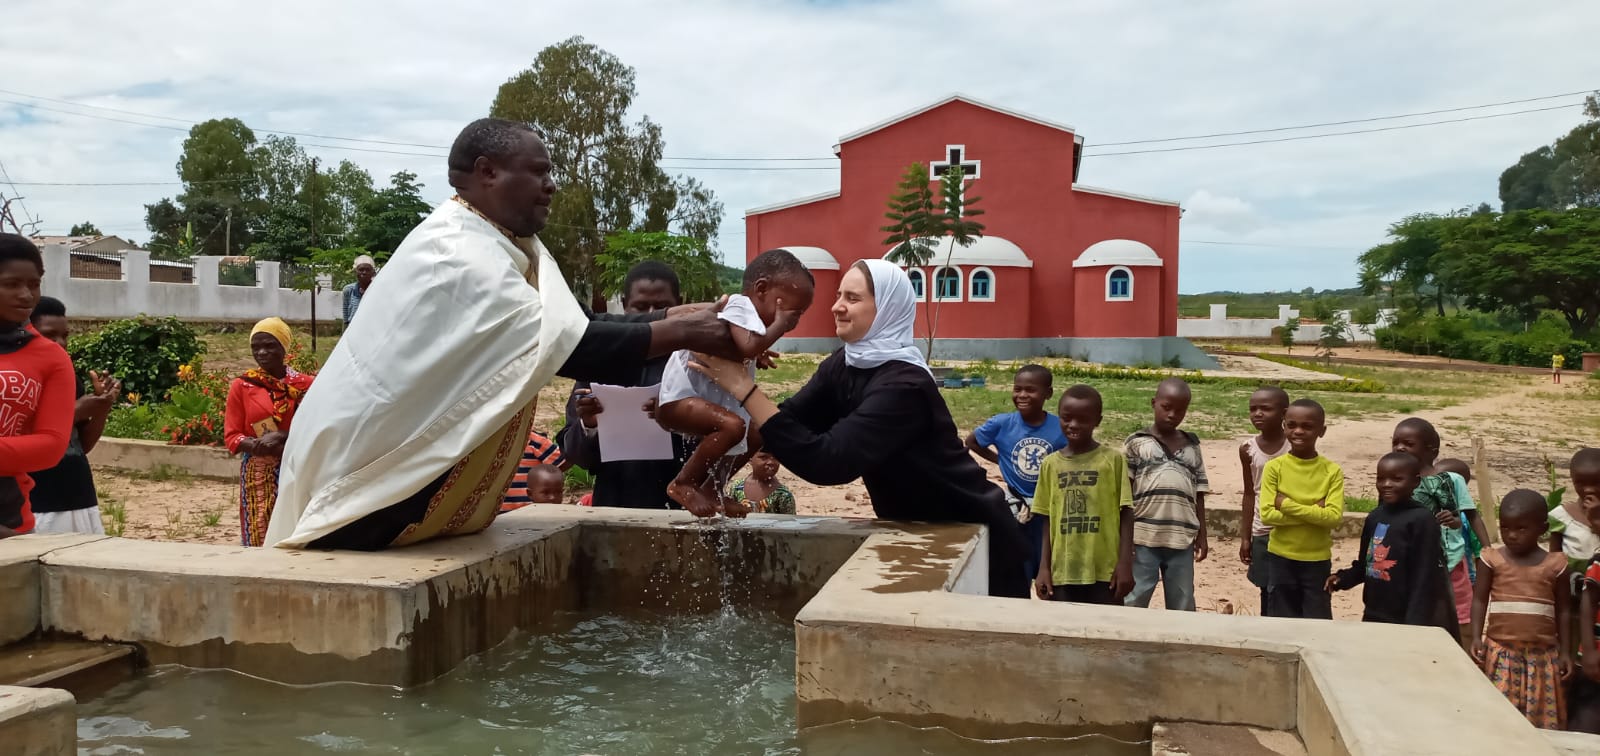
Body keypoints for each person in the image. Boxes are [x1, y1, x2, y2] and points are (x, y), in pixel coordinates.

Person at [265, 119, 738, 550]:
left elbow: (572, 326)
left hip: (395, 477)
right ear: (486, 172)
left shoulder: (494, 242)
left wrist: (678, 317)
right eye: (538, 172)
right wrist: (680, 329)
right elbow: (571, 347)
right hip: (371, 469)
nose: (551, 186)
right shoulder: (458, 254)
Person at [687, 259, 1029, 598]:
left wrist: (744, 388)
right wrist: (707, 481)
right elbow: (781, 423)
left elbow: (829, 462)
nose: (837, 307)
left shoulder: (904, 386)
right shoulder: (846, 362)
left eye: (853, 298)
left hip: (978, 539)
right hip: (916, 533)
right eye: (839, 295)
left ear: (887, 308)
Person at [656, 249, 812, 516]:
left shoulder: (751, 319)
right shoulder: (740, 305)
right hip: (679, 398)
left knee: (759, 430)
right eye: (791, 312)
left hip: (702, 400)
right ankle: (683, 483)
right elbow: (747, 347)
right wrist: (778, 327)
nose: (792, 322)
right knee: (732, 426)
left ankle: (712, 489)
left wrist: (760, 352)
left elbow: (741, 347)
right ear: (761, 289)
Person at [558, 261, 697, 510]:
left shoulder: (695, 362)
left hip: (683, 508)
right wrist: (589, 424)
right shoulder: (599, 362)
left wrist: (680, 419)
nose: (651, 315)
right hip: (614, 506)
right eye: (641, 307)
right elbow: (576, 455)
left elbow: (721, 440)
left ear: (680, 304)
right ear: (624, 305)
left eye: (662, 307)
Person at [1470, 489, 1571, 730]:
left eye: (1521, 529)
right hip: (1501, 653)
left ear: (1542, 529)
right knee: (1499, 722)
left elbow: (1564, 610)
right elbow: (1479, 600)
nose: (1511, 535)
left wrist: (1565, 651)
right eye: (1505, 528)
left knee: (1539, 725)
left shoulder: (1556, 565)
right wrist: (1476, 637)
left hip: (1542, 659)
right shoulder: (1491, 559)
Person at [1327, 452, 1455, 637]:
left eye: (1396, 479)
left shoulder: (1422, 520)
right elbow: (1367, 563)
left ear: (1415, 482)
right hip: (1373, 612)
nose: (1387, 485)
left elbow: (1424, 577)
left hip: (1406, 617)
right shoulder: (1375, 517)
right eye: (1381, 479)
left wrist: (1414, 624)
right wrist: (1342, 579)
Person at [967, 364, 1069, 587]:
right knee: (1016, 568)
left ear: (1048, 394)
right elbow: (972, 441)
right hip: (1015, 509)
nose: (1022, 395)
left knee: (1051, 569)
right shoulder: (1002, 424)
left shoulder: (1060, 428)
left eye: (1030, 390)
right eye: (1017, 389)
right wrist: (1000, 461)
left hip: (1049, 512)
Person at [0, 235, 74, 540]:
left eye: (34, 284)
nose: (26, 295)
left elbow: (51, 445)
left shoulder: (50, 357)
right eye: (12, 284)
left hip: (8, 523)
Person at [1031, 384, 1133, 605]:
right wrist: (1044, 568)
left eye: (1083, 419)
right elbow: (1047, 520)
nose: (1074, 425)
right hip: (1063, 571)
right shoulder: (1050, 464)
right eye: (1067, 418)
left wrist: (1125, 563)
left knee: (1105, 631)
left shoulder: (1112, 461)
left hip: (1105, 572)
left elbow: (1126, 514)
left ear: (1098, 421)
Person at [27, 297, 120, 534]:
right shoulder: (18, 381)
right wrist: (78, 410)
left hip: (79, 497)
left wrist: (101, 408)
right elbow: (28, 434)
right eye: (50, 335)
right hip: (40, 502)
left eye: (65, 336)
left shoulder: (68, 379)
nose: (60, 343)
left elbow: (81, 445)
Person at [1393, 417, 1489, 639]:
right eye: (1396, 442)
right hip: (1409, 562)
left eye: (1408, 443)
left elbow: (1471, 515)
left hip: (1451, 561)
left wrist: (1487, 550)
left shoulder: (1451, 480)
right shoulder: (1397, 480)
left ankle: (1463, 651)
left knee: (1459, 611)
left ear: (1431, 450)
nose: (1400, 448)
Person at [225, 317, 316, 547]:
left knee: (296, 528)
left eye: (269, 346)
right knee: (260, 529)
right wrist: (257, 445)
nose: (262, 352)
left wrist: (284, 436)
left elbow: (317, 426)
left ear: (283, 348)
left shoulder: (307, 386)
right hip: (259, 471)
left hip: (297, 467)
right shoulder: (243, 386)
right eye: (256, 347)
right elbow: (232, 436)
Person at [1123, 378, 1209, 611]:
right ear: (1154, 403)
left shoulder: (1192, 446)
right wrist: (1124, 535)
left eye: (1180, 410)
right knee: (1135, 597)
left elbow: (1199, 492)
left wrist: (1202, 534)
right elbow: (1125, 493)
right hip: (1143, 536)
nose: (1172, 414)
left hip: (1181, 537)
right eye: (1166, 407)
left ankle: (1181, 644)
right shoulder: (1137, 443)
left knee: (1182, 599)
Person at [1258, 399, 1344, 619]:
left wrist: (1286, 505)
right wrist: (1313, 512)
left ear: (1321, 431)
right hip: (1280, 558)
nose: (1298, 431)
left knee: (1317, 621)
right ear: (1284, 426)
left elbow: (1333, 517)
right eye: (1292, 425)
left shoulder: (1331, 471)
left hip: (1316, 561)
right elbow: (1267, 515)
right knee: (1281, 619)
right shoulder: (1274, 468)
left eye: (1307, 426)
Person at [1238, 385, 1290, 614]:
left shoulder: (1295, 446)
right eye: (1253, 409)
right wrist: (1245, 537)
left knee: (1287, 587)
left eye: (1265, 409)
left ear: (1284, 413)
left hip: (1290, 527)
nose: (1257, 414)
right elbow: (1249, 493)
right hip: (1262, 529)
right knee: (1265, 588)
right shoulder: (1248, 449)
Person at [1551, 448, 1600, 575]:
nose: (1588, 489)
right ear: (1572, 480)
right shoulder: (1562, 516)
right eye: (1580, 483)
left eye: (1597, 483)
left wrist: (1596, 521)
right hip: (1572, 587)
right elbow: (1553, 560)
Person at [500, 429, 569, 513]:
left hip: (531, 512)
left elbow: (562, 462)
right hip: (497, 514)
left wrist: (545, 489)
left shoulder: (533, 441)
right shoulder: (484, 443)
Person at [731, 450, 795, 515]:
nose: (771, 462)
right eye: (764, 457)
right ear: (749, 459)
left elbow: (790, 522)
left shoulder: (783, 495)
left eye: (776, 457)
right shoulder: (737, 487)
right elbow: (730, 516)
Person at [342, 255, 376, 326]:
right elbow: (345, 312)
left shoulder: (377, 289)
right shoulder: (348, 290)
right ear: (355, 271)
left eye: (367, 270)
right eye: (361, 269)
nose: (364, 272)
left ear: (373, 272)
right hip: (353, 328)